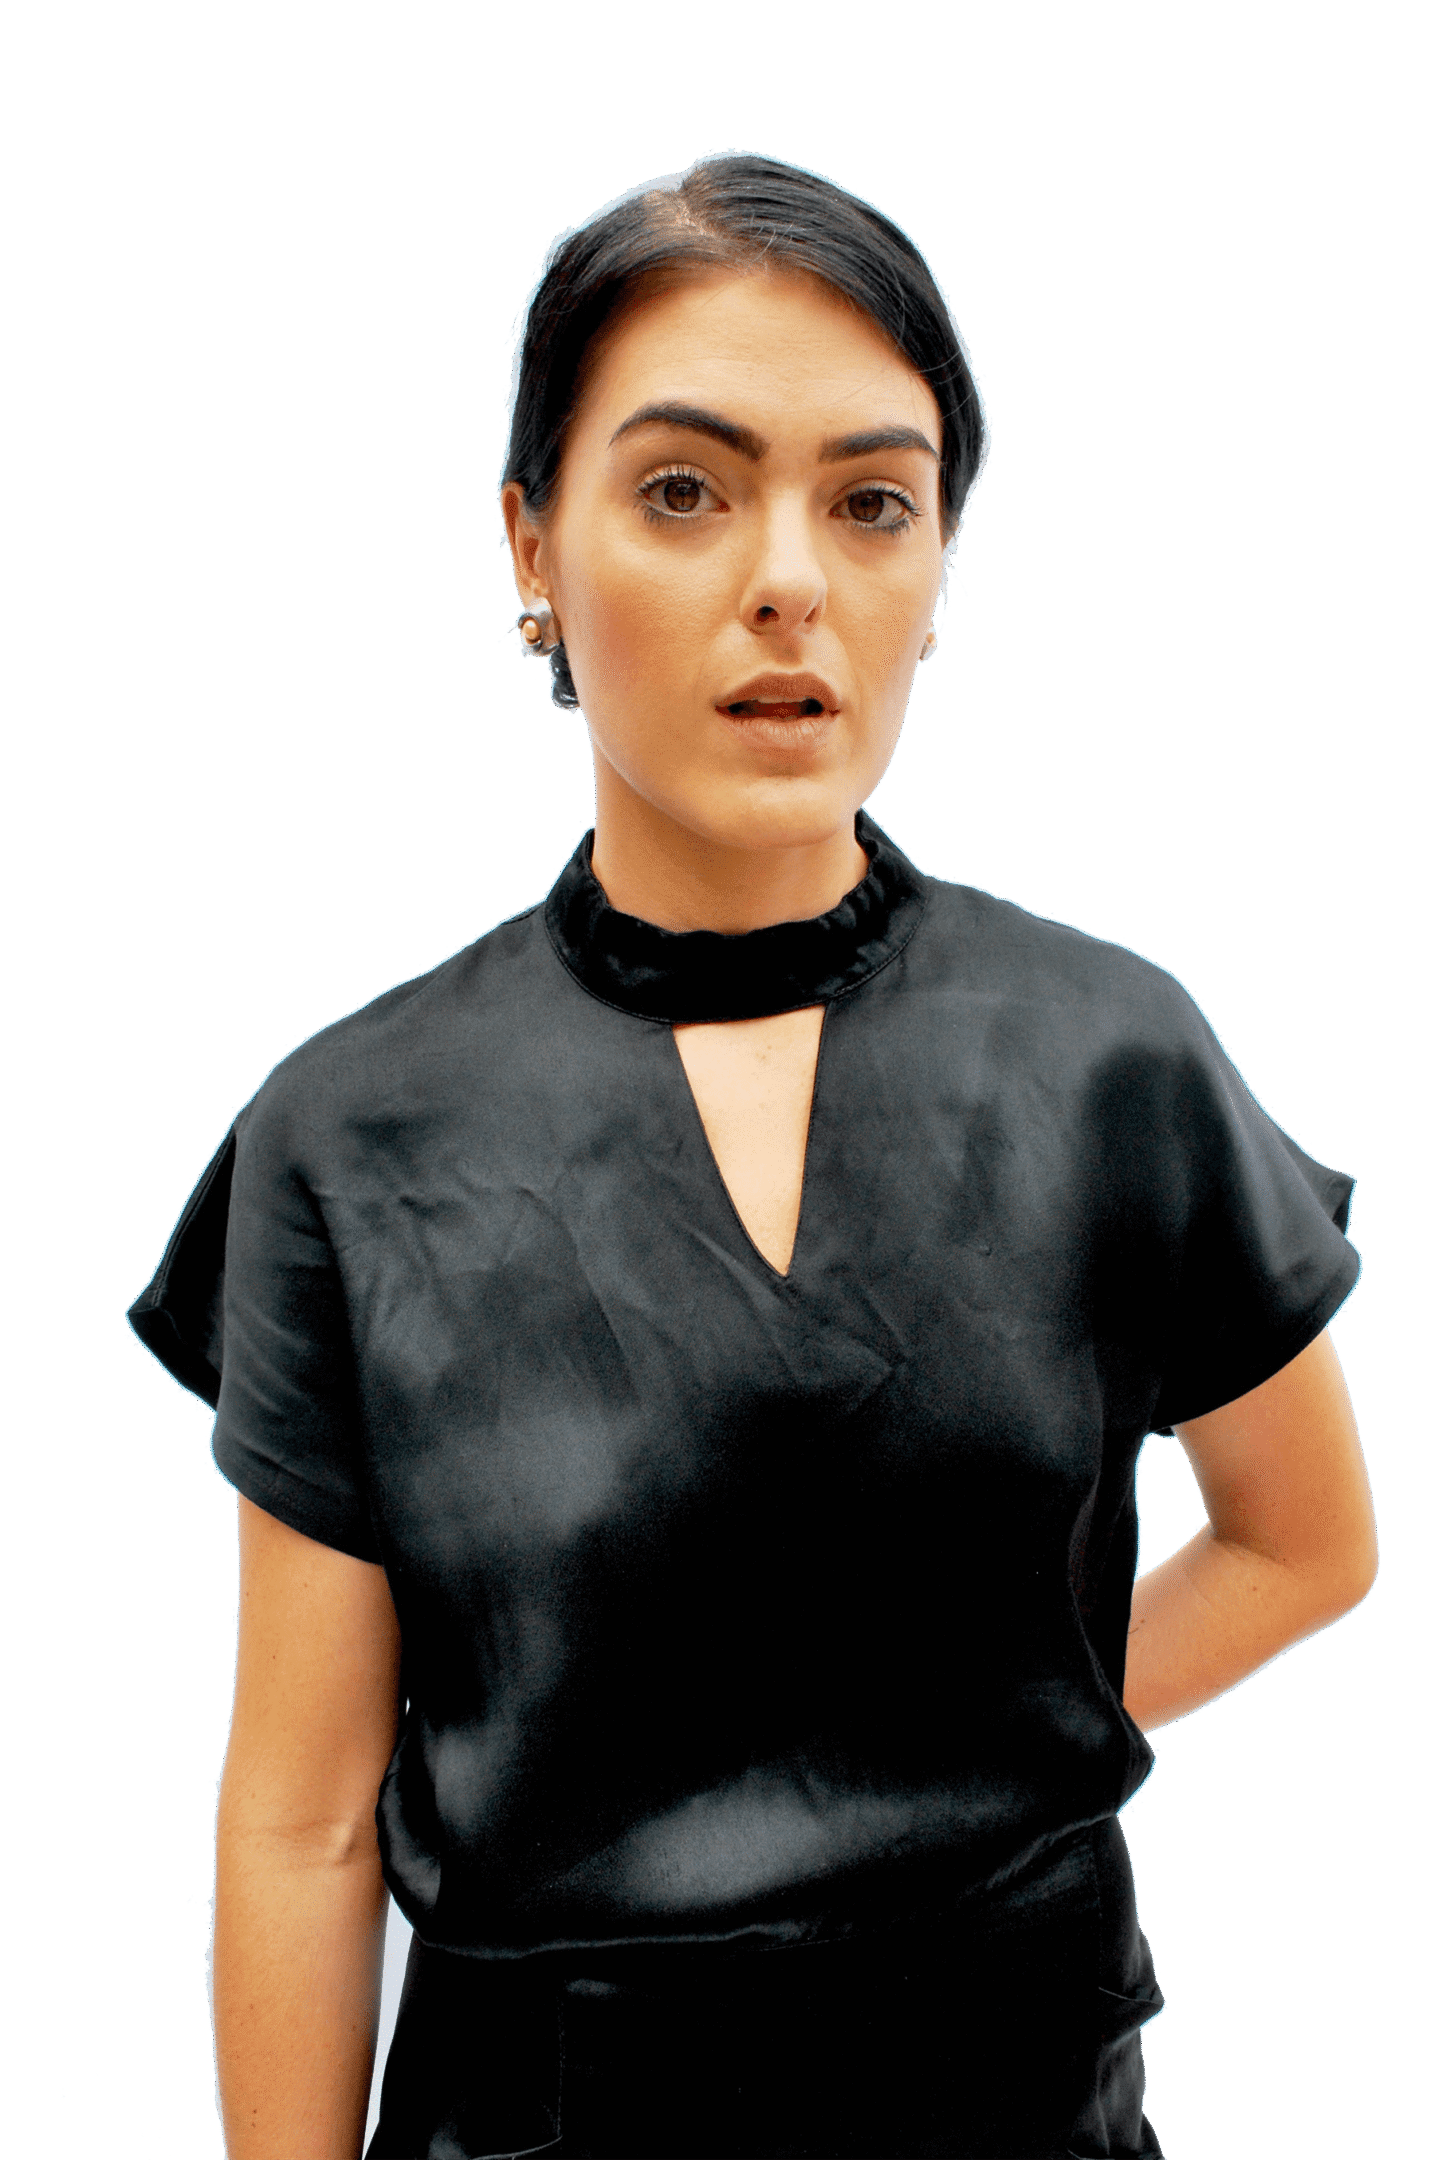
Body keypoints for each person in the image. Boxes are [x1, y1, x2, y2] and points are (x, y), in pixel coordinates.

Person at [126, 151, 1378, 2160]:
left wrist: (958, 1743)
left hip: (1022, 2104)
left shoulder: (1113, 1058)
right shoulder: (350, 1139)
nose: (789, 578)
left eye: (871, 502)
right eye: (685, 490)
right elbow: (298, 1818)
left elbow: (1306, 1544)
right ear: (532, 541)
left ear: (938, 565)